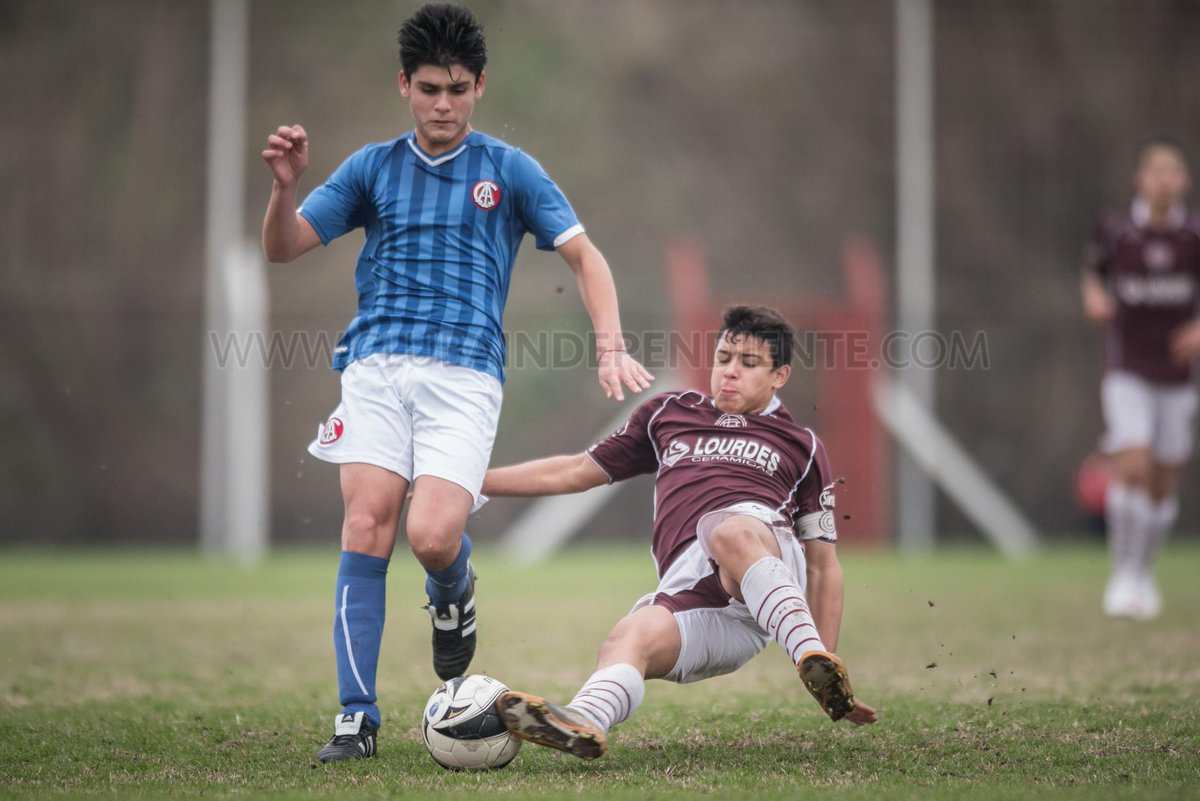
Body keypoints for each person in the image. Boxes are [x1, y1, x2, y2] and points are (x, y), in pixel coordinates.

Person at [260, 4, 654, 762]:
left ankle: (454, 592)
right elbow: (284, 249)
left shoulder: (509, 170)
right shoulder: (373, 166)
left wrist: (610, 343)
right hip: (375, 364)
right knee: (366, 524)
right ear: (404, 84)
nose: (444, 103)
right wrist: (284, 188)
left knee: (432, 535)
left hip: (465, 374)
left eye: (459, 89)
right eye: (430, 88)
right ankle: (356, 716)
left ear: (479, 87)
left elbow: (584, 255)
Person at [481, 305, 878, 760]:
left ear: (780, 375)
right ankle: (586, 717)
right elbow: (572, 471)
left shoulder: (802, 445)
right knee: (627, 638)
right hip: (709, 604)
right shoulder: (668, 414)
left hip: (764, 561)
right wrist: (469, 482)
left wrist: (825, 664)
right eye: (724, 357)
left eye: (748, 364)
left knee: (726, 530)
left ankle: (805, 651)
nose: (730, 372)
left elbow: (823, 566)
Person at [1080, 137, 1200, 620]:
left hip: (1177, 375)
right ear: (1140, 179)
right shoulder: (1116, 230)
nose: (1164, 180)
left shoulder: (1193, 236)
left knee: (1163, 479)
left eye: (1173, 171)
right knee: (1133, 462)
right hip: (1126, 369)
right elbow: (1092, 270)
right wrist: (1092, 296)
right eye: (1156, 170)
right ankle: (1123, 573)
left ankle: (1144, 573)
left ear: (1184, 181)